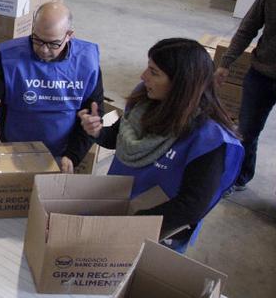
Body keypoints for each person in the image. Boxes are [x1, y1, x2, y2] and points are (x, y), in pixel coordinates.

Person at [79, 38, 244, 252]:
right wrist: (97, 131)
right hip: (116, 208)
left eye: (154, 72)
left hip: (155, 232)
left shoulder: (210, 140)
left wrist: (131, 225)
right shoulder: (145, 101)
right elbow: (118, 140)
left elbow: (191, 206)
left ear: (181, 83)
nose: (143, 76)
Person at [0, 2, 102, 182]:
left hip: (61, 154)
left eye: (53, 44)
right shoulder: (12, 59)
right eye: (37, 40)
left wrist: (73, 154)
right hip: (13, 150)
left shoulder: (87, 63)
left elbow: (93, 116)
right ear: (33, 28)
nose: (44, 50)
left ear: (69, 35)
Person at [215, 0, 276, 220]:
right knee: (246, 131)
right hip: (261, 75)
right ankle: (238, 177)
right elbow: (247, 29)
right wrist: (226, 63)